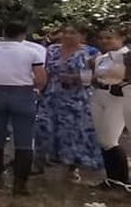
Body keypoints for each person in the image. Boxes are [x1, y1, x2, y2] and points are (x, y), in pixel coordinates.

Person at [0, 22, 48, 194]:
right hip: (23, 94)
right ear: (23, 35)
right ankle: (20, 185)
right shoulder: (32, 52)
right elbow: (41, 79)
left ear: (3, 33)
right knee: (24, 141)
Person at [37, 23, 101, 180]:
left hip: (77, 96)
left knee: (73, 132)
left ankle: (72, 168)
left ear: (82, 36)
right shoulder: (52, 50)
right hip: (52, 95)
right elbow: (45, 71)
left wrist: (77, 78)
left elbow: (98, 75)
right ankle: (43, 162)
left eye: (72, 33)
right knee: (45, 128)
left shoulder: (90, 52)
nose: (67, 36)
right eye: (65, 32)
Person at [90, 26, 131, 189]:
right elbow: (96, 77)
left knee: (110, 139)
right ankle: (111, 178)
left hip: (118, 97)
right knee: (102, 139)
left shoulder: (126, 56)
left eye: (109, 38)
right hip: (100, 95)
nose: (105, 41)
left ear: (121, 38)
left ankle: (121, 179)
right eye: (103, 38)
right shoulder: (102, 57)